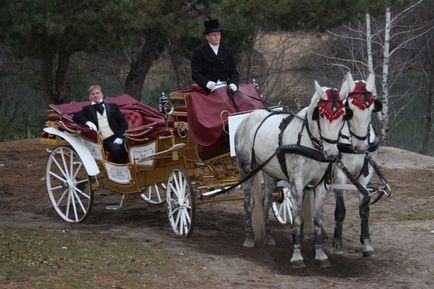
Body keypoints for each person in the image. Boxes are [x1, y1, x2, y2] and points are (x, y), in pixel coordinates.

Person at [73, 84, 128, 163]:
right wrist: (87, 122)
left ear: (102, 94)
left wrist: (120, 137)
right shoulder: (86, 109)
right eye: (93, 94)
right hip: (103, 140)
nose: (95, 95)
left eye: (97, 93)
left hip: (117, 136)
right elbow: (75, 117)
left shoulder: (113, 106)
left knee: (131, 147)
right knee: (116, 149)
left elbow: (123, 123)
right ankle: (123, 171)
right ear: (90, 97)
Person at [191, 19, 239, 94]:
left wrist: (233, 83)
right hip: (207, 89)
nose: (216, 37)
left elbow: (233, 72)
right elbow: (195, 73)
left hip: (225, 87)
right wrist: (207, 83)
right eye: (213, 35)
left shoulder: (228, 50)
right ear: (207, 37)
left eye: (218, 34)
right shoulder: (198, 52)